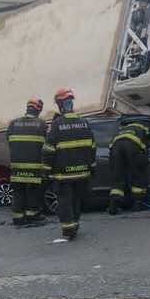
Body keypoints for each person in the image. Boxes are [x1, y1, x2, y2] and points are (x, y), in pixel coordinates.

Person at [44, 88, 96, 241]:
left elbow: (48, 150)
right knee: (76, 200)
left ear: (60, 105)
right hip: (82, 173)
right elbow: (92, 147)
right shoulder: (84, 123)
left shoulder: (56, 125)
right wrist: (92, 167)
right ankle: (75, 224)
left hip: (63, 174)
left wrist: (46, 170)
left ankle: (68, 230)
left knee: (65, 201)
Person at [7, 98, 48, 227]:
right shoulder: (42, 124)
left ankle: (18, 218)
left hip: (16, 166)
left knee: (18, 191)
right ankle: (32, 215)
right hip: (34, 166)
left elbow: (9, 141)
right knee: (33, 191)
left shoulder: (13, 124)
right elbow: (47, 145)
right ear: (39, 109)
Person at [107, 122, 150, 214]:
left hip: (115, 148)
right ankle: (137, 204)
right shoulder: (143, 127)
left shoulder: (121, 130)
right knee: (138, 175)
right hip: (132, 147)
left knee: (117, 178)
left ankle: (113, 205)